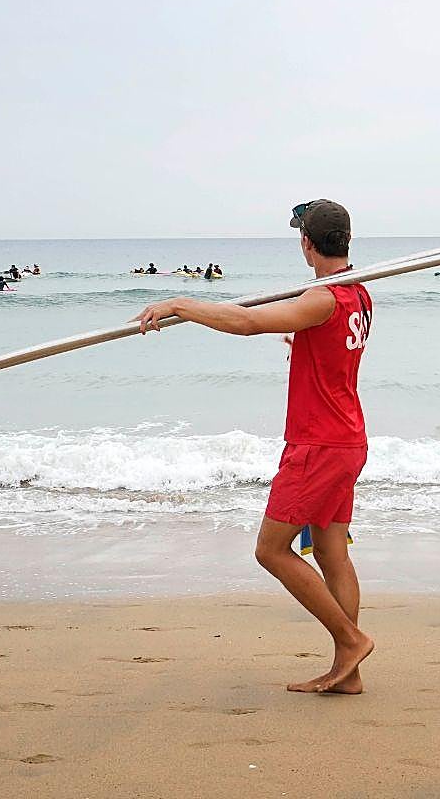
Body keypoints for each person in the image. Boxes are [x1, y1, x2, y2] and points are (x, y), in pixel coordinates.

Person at [133, 198, 373, 695]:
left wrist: (179, 304)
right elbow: (325, 343)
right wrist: (301, 343)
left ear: (307, 243)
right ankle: (349, 673)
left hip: (318, 443)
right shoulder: (357, 295)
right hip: (346, 438)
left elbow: (246, 322)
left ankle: (350, 642)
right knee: (331, 553)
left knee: (271, 550)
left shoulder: (324, 299)